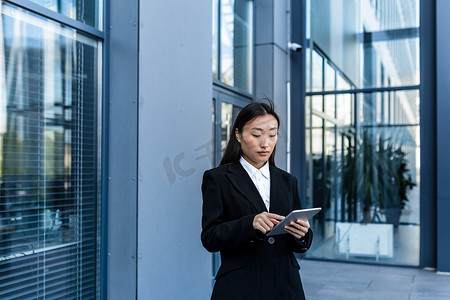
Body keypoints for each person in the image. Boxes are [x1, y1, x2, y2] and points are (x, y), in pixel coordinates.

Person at [201, 100, 313, 300]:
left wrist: (302, 234)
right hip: (240, 286)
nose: (265, 143)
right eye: (256, 134)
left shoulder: (288, 181)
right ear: (238, 135)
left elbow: (298, 242)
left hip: (285, 286)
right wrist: (248, 224)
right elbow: (210, 237)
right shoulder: (217, 178)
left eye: (272, 134)